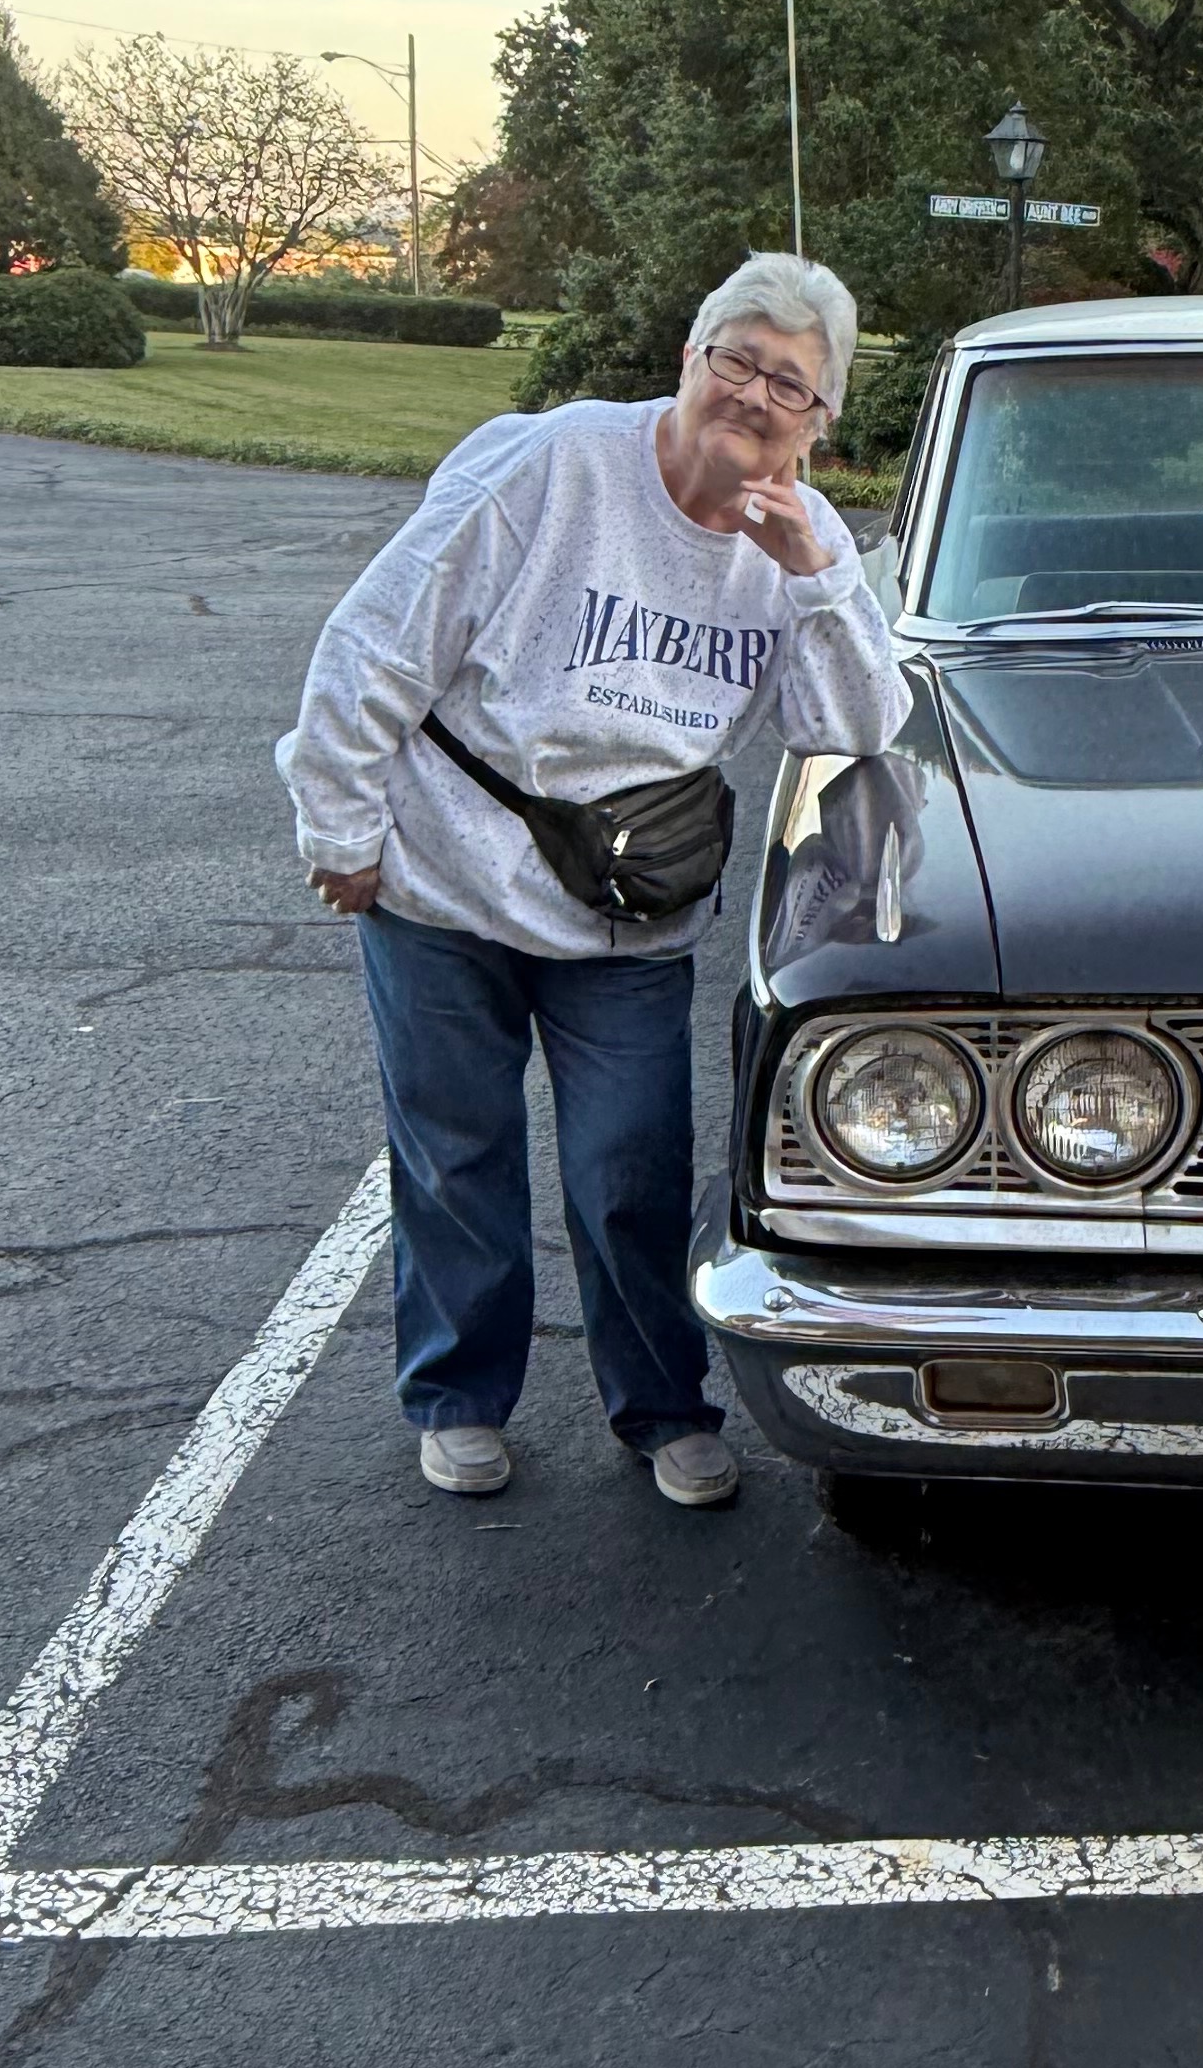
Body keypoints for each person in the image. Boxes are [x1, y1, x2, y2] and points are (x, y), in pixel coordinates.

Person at [276, 254, 908, 1507]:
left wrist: (817, 580)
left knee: (630, 1171)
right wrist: (338, 831)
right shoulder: (553, 466)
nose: (756, 396)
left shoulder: (806, 542)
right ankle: (460, 1395)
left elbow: (854, 725)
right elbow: (375, 647)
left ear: (821, 420)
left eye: (791, 383)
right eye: (737, 360)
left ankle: (663, 1406)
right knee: (456, 1158)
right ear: (688, 360)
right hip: (444, 884)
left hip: (627, 912)